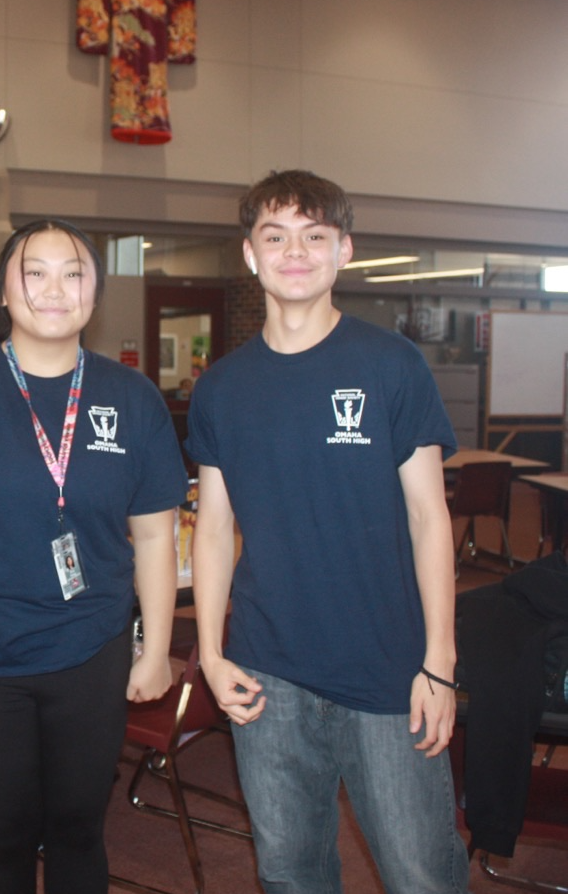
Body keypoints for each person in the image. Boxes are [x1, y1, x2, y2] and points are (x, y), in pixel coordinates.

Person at [186, 170, 471, 894]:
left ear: (344, 250)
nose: (295, 252)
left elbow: (429, 518)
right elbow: (213, 529)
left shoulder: (392, 366)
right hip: (266, 674)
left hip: (387, 669)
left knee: (423, 875)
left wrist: (440, 661)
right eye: (275, 236)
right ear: (249, 255)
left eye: (315, 236)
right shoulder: (221, 387)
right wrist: (213, 655)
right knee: (290, 874)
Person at [0, 218, 188, 894]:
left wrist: (152, 651)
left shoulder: (132, 398)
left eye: (74, 272)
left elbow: (154, 535)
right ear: (4, 289)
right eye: (35, 272)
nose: (55, 289)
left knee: (79, 828)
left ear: (94, 290)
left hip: (91, 648)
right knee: (2, 832)